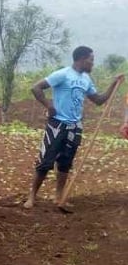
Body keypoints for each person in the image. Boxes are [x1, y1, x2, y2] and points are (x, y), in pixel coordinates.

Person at [25, 46, 124, 212]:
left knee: (65, 163)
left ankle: (59, 197)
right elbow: (36, 88)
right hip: (57, 125)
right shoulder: (62, 74)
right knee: (45, 162)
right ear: (82, 59)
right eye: (91, 60)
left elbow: (99, 100)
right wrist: (49, 105)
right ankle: (32, 197)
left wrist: (113, 84)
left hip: (75, 127)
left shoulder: (86, 79)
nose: (92, 63)